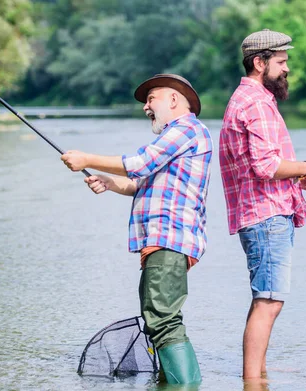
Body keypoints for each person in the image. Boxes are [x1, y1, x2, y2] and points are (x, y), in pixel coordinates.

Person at [61, 74, 212, 385]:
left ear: (173, 99)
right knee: (158, 316)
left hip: (170, 239)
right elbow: (139, 182)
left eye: (151, 98)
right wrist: (107, 180)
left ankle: (186, 384)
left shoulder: (186, 128)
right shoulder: (176, 135)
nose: (146, 106)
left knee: (163, 318)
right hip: (163, 241)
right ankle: (175, 382)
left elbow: (141, 162)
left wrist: (86, 158)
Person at [219, 29, 306, 380]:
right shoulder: (256, 102)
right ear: (260, 62)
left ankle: (259, 375)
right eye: (281, 62)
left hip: (260, 214)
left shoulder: (245, 99)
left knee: (266, 298)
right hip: (266, 217)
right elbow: (267, 166)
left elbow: (260, 166)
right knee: (268, 301)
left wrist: (300, 177)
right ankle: (253, 380)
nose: (286, 69)